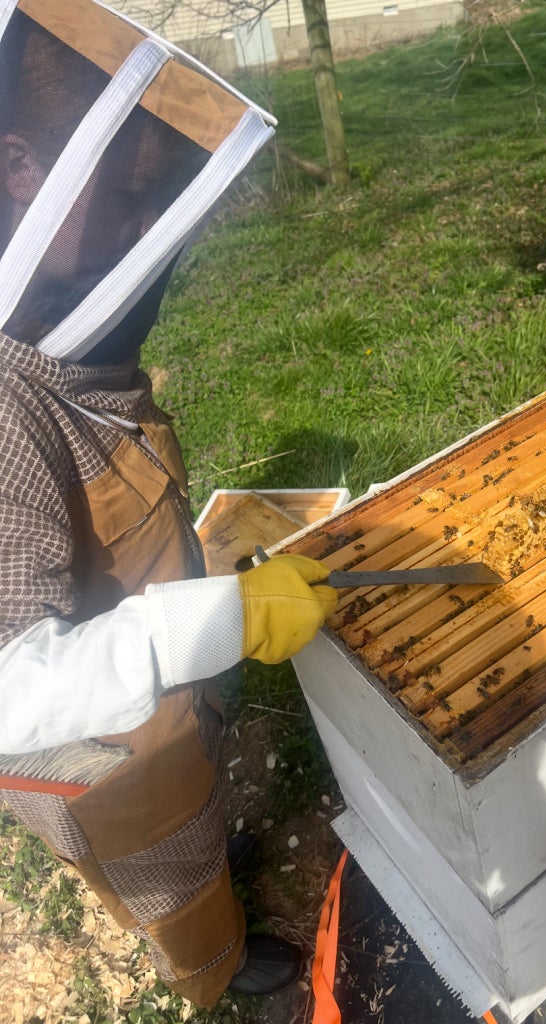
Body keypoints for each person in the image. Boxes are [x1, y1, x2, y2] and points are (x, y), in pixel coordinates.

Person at [0, 0, 337, 1008]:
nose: (149, 231)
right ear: (22, 171)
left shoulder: (45, 341)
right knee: (170, 881)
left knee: (191, 818)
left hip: (160, 711)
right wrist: (221, 620)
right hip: (103, 763)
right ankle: (216, 970)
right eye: (131, 195)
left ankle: (206, 866)